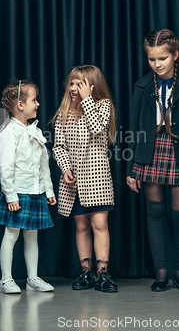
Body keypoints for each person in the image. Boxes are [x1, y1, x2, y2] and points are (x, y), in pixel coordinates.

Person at [126, 29, 179, 292]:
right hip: (149, 151)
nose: (157, 64)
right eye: (152, 59)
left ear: (175, 55)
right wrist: (131, 169)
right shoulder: (142, 86)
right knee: (155, 212)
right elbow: (134, 129)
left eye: (162, 58)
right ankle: (161, 273)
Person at [52, 64, 118, 293]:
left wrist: (87, 99)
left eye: (79, 84)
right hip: (74, 181)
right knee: (81, 225)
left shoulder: (103, 105)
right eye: (71, 83)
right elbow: (58, 145)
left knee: (99, 223)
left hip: (97, 178)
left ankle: (103, 273)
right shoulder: (64, 112)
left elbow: (98, 128)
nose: (73, 88)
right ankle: (86, 271)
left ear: (91, 86)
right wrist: (65, 167)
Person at [0, 80, 57, 294]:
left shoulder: (34, 130)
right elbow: (6, 168)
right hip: (18, 192)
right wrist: (11, 196)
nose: (37, 104)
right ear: (20, 104)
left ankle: (32, 278)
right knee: (11, 234)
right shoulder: (9, 132)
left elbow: (43, 164)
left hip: (35, 191)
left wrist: (49, 190)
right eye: (34, 100)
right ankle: (6, 279)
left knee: (32, 235)